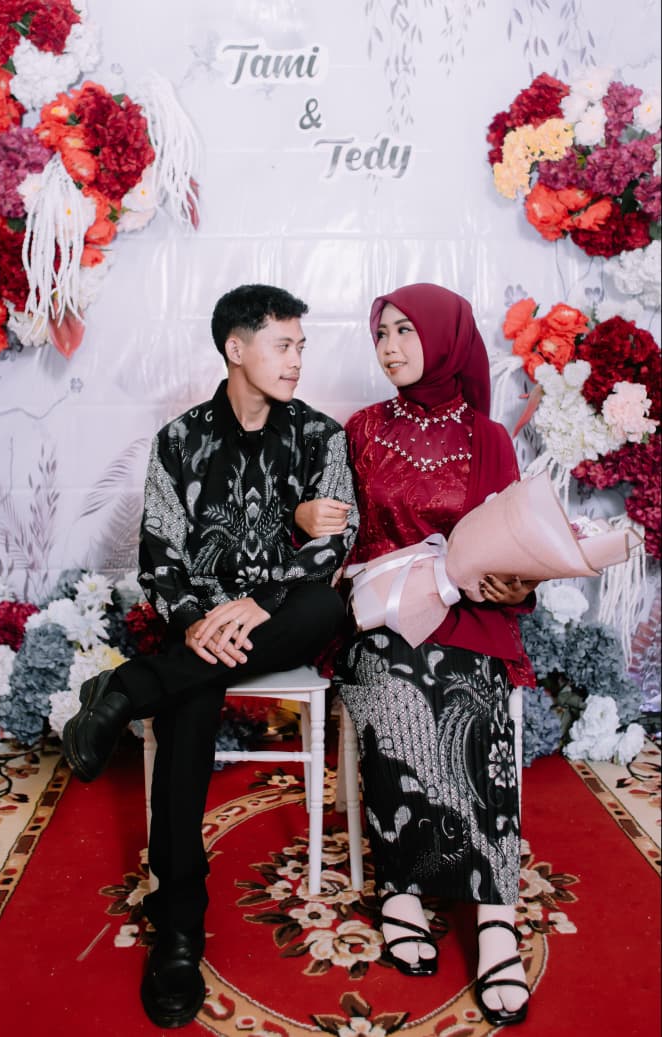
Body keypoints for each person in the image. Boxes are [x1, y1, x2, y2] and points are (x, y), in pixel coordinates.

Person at [63, 284, 358, 1029]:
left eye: (301, 346)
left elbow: (335, 543)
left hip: (283, 616)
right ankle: (179, 926)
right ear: (236, 347)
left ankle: (128, 688)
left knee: (327, 606)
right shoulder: (179, 440)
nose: (297, 360)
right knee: (191, 705)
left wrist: (264, 598)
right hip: (200, 630)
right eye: (282, 345)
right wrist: (197, 621)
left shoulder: (320, 436)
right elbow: (159, 555)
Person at [300, 283, 536, 1027]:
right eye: (382, 333)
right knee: (396, 679)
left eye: (407, 331)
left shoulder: (489, 438)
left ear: (446, 338)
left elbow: (514, 545)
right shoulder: (362, 430)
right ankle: (401, 887)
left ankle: (495, 917)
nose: (391, 347)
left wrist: (512, 578)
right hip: (381, 615)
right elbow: (334, 537)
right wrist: (310, 519)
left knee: (473, 695)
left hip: (468, 613)